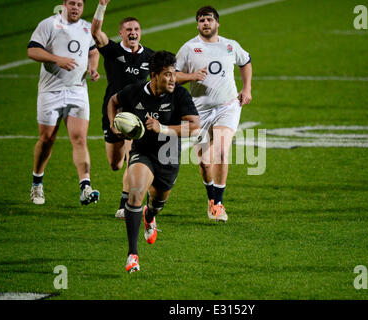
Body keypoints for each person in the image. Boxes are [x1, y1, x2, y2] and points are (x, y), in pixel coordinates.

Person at [107, 51, 200, 272]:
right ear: (154, 76)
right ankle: (132, 254)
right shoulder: (135, 91)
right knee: (136, 191)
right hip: (143, 152)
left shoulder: (179, 94)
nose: (172, 79)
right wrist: (113, 125)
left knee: (156, 204)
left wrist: (163, 128)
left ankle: (150, 216)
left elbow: (195, 127)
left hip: (168, 157)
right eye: (167, 75)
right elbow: (113, 101)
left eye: (174, 74)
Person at [175, 6, 252, 222]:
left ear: (217, 23)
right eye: (201, 20)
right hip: (199, 110)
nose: (205, 23)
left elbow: (245, 62)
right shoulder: (189, 48)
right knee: (204, 162)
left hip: (228, 106)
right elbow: (172, 74)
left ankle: (218, 204)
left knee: (220, 152)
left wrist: (246, 89)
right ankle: (211, 198)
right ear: (197, 24)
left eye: (209, 19)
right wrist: (190, 76)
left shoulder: (230, 46)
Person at [28, 0, 100, 206]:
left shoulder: (87, 28)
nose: (76, 7)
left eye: (79, 4)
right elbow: (32, 51)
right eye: (72, 3)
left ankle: (85, 187)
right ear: (63, 5)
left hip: (77, 90)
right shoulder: (49, 24)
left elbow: (93, 52)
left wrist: (93, 68)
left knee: (79, 139)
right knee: (47, 139)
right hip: (51, 92)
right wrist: (56, 59)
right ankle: (37, 183)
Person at [91, 0, 154, 218]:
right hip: (112, 112)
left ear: (140, 32)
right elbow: (96, 32)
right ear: (121, 33)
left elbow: (168, 75)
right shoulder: (113, 51)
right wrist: (102, 6)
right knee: (115, 163)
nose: (133, 33)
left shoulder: (150, 57)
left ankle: (125, 204)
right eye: (128, 30)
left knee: (132, 157)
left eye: (136, 29)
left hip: (136, 114)